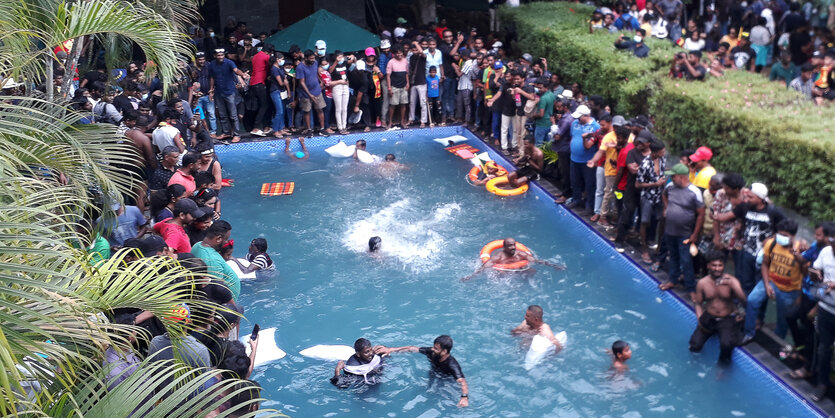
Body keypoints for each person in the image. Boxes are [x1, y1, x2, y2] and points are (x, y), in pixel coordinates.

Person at [742, 219, 806, 345]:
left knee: (782, 321)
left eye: (785, 235)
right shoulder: (771, 244)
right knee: (752, 300)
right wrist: (766, 285)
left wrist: (800, 295)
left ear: (793, 236)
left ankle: (776, 343)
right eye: (779, 234)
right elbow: (765, 265)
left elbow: (805, 273)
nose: (781, 237)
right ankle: (749, 333)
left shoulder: (801, 249)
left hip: (790, 290)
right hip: (771, 282)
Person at [377, 335, 469, 408]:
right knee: (429, 390)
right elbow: (412, 348)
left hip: (446, 379)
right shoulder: (432, 352)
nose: (433, 349)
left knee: (440, 394)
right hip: (434, 372)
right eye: (434, 347)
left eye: (436, 349)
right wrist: (391, 350)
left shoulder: (452, 365)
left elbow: (462, 381)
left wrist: (464, 397)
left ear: (444, 351)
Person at [689, 251, 747, 363]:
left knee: (727, 345)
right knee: (694, 345)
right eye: (714, 265)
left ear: (724, 266)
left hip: (726, 318)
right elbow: (698, 304)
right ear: (708, 266)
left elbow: (744, 300)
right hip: (709, 316)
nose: (717, 268)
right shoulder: (702, 283)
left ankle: (722, 368)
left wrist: (733, 285)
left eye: (720, 265)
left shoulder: (731, 281)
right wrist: (700, 319)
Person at [658, 163, 705, 298]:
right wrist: (666, 208)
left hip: (685, 233)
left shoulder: (694, 192)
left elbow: (701, 213)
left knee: (686, 260)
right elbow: (664, 195)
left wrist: (695, 234)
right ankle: (673, 280)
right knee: (673, 256)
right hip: (670, 230)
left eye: (673, 177)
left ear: (681, 177)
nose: (671, 179)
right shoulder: (670, 187)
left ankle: (690, 288)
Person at [462, 238, 565, 281]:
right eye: (510, 246)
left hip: (519, 270)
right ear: (504, 247)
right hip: (505, 274)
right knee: (501, 274)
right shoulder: (499, 257)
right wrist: (471, 276)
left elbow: (537, 261)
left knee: (532, 271)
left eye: (514, 245)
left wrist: (555, 266)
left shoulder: (520, 254)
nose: (513, 248)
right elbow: (485, 266)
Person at [192, 220, 240, 301]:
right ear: (218, 239)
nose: (226, 242)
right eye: (226, 239)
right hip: (225, 306)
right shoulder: (212, 261)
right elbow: (216, 291)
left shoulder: (197, 245)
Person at [208, 48, 249, 143]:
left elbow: (236, 70)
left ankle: (236, 134)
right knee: (222, 114)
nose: (220, 57)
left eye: (222, 55)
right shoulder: (212, 64)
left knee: (233, 115)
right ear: (215, 56)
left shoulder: (229, 62)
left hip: (230, 92)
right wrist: (211, 89)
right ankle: (226, 132)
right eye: (218, 55)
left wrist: (243, 75)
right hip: (218, 92)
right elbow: (212, 77)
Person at [566, 105, 601, 214]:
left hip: (588, 161)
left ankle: (589, 206)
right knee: (575, 181)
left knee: (590, 184)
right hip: (574, 159)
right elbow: (572, 137)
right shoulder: (574, 123)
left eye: (580, 117)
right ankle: (576, 199)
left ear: (586, 116)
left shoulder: (595, 127)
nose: (577, 119)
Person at [296, 50, 327, 136]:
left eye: (314, 58)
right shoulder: (300, 67)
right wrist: (310, 94)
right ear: (305, 58)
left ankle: (322, 128)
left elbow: (316, 73)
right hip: (305, 93)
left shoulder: (315, 63)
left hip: (317, 90)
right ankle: (309, 129)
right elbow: (301, 82)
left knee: (320, 109)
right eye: (311, 58)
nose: (313, 60)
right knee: (307, 111)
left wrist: (321, 81)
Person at [386, 45, 409, 130]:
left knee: (403, 104)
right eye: (397, 53)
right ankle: (390, 122)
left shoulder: (405, 61)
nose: (399, 55)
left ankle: (402, 121)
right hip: (394, 86)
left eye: (401, 53)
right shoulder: (391, 62)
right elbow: (388, 76)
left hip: (403, 85)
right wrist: (389, 88)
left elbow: (406, 73)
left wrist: (408, 83)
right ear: (394, 54)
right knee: (393, 105)